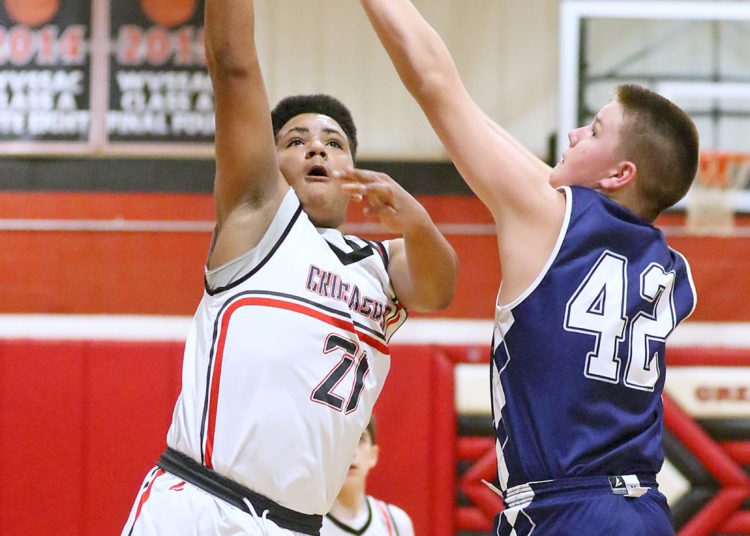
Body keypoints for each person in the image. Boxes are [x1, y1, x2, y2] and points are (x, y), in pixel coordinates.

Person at [358, 1, 699, 534]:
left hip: (567, 511)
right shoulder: (669, 266)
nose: (572, 135)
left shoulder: (549, 218)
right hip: (646, 513)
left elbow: (433, 82)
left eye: (593, 130)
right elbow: (475, 117)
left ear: (619, 172)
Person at [121, 0, 458, 533]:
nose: (316, 149)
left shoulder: (384, 265)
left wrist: (416, 219)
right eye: (295, 141)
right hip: (202, 504)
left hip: (298, 524)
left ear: (353, 166)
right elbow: (232, 60)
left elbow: (441, 289)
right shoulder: (257, 216)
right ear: (268, 160)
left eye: (334, 142)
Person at [322, 418, 414, 536]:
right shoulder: (305, 526)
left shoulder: (397, 523)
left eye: (360, 439)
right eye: (340, 440)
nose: (351, 452)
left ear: (373, 455)